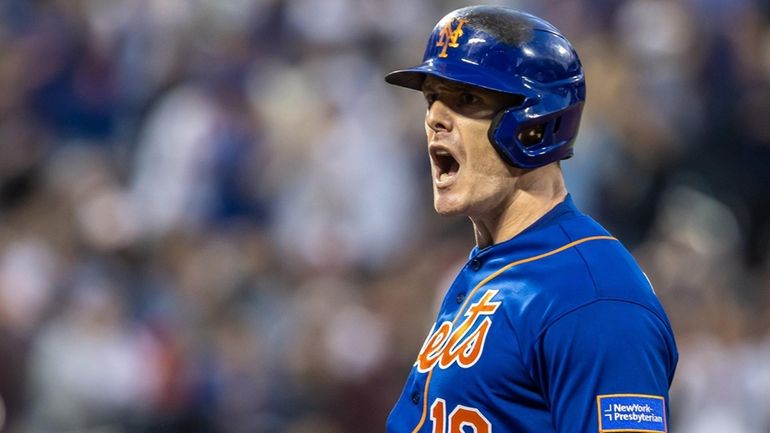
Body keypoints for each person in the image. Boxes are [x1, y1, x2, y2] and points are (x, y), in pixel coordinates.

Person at [383, 6, 678, 433]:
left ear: (535, 127)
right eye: (432, 98)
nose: (434, 118)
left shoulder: (593, 296)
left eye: (467, 99)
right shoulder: (499, 266)